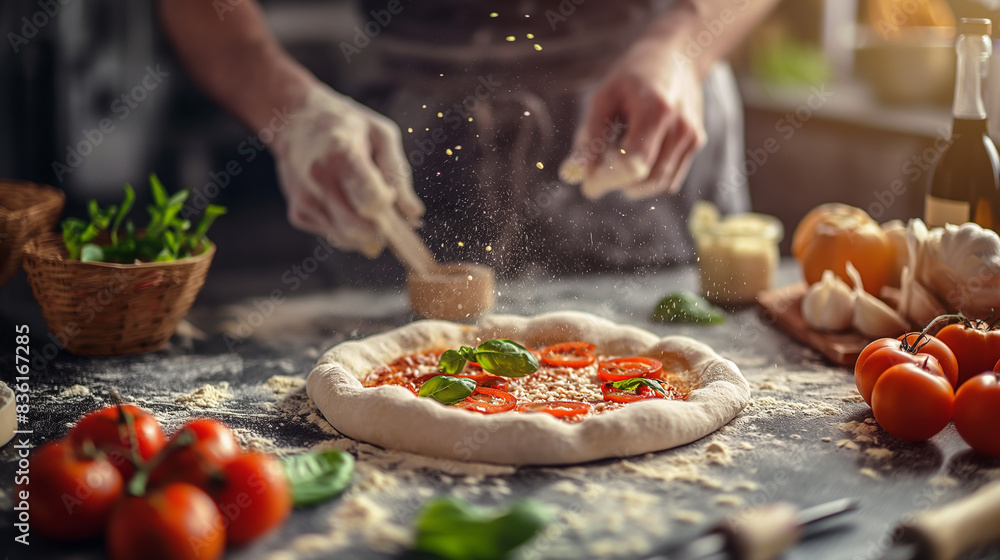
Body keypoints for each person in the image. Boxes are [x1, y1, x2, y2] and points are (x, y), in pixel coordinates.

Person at [159, 0, 778, 279]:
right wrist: (289, 109)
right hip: (400, 138)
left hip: (638, 107)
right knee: (392, 405)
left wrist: (686, 41)